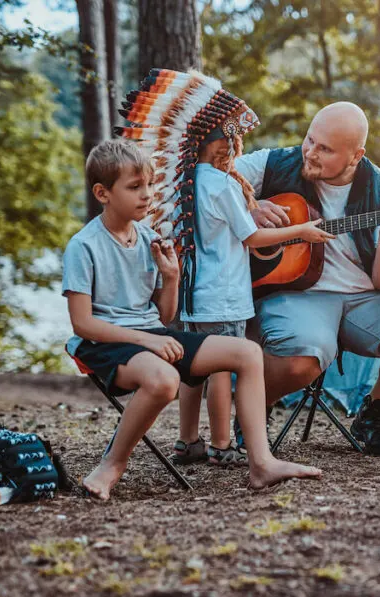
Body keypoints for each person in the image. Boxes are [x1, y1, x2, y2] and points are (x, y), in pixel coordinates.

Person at [62, 138, 321, 500]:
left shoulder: (149, 238)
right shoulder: (84, 245)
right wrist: (149, 340)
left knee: (246, 353)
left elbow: (164, 315)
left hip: (151, 336)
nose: (146, 195)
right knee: (165, 379)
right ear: (103, 193)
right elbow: (82, 324)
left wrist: (172, 278)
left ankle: (262, 464)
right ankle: (112, 464)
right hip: (107, 345)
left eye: (150, 185)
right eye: (135, 187)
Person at [235, 102, 380, 456]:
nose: (311, 153)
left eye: (325, 149)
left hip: (364, 299)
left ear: (355, 155)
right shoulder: (275, 164)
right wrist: (249, 205)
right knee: (304, 354)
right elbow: (211, 179)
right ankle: (253, 410)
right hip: (295, 296)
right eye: (310, 140)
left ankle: (374, 414)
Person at [172, 125, 333, 466]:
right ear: (222, 145)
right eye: (234, 139)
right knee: (220, 368)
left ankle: (188, 440)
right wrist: (303, 231)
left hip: (193, 294)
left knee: (192, 368)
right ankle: (220, 444)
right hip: (224, 295)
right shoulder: (223, 184)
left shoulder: (183, 183)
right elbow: (252, 236)